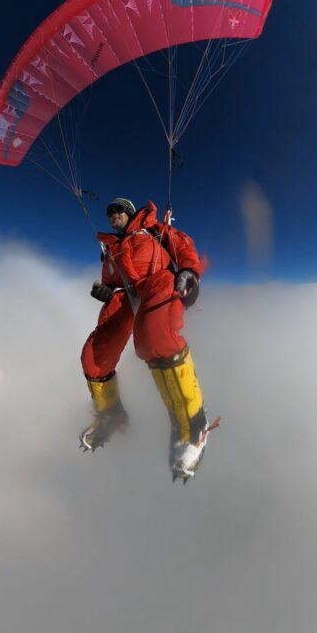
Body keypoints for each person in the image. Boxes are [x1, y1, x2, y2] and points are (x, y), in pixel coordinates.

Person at [80, 197, 217, 481]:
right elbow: (111, 282)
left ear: (130, 213)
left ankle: (192, 424)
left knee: (154, 337)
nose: (113, 214)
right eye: (109, 211)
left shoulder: (153, 230)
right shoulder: (110, 249)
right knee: (94, 356)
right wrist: (105, 290)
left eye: (119, 209)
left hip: (159, 281)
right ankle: (111, 415)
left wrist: (190, 270)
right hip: (125, 295)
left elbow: (183, 246)